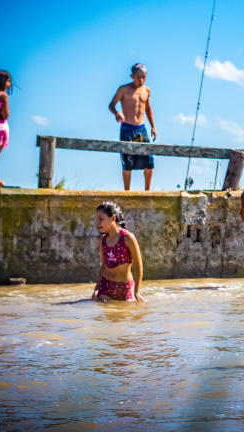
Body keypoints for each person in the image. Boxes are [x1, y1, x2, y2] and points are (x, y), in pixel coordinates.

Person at [108, 63, 157, 191]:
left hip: (141, 129)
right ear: (132, 76)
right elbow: (111, 105)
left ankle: (147, 191)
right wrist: (117, 113)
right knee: (127, 162)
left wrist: (153, 126)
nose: (141, 80)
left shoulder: (147, 90)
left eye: (144, 77)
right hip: (127, 129)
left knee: (149, 160)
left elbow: (148, 109)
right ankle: (127, 192)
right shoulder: (123, 89)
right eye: (138, 77)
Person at [92, 201, 145, 302]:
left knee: (124, 315)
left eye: (100, 219)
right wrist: (97, 289)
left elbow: (138, 265)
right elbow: (103, 266)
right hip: (106, 286)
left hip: (124, 287)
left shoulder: (128, 238)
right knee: (106, 313)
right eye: (96, 219)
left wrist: (136, 292)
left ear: (113, 218)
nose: (97, 223)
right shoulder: (102, 240)